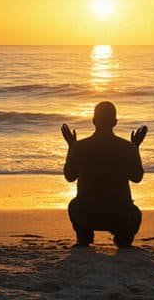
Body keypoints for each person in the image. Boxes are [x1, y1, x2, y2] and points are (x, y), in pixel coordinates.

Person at [61, 101, 148, 248]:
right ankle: (123, 239)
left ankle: (84, 238)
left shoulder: (80, 147)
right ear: (115, 122)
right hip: (120, 215)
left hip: (88, 214)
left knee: (74, 205)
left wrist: (71, 147)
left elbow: (69, 176)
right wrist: (135, 148)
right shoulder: (127, 147)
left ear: (94, 121)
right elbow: (137, 177)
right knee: (135, 213)